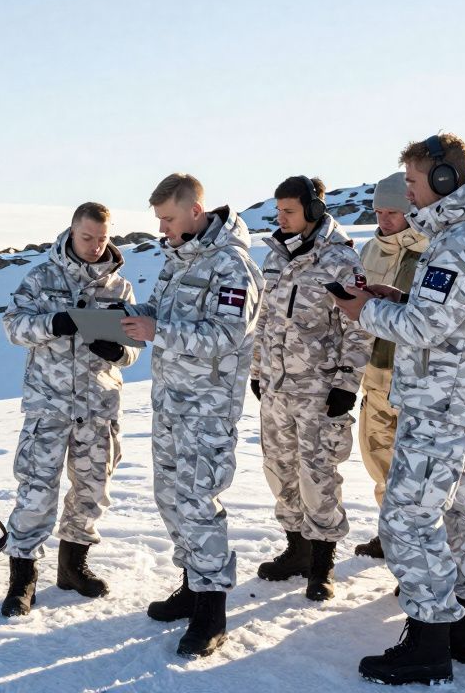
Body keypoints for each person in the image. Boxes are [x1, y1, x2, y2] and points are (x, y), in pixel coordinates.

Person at [333, 133, 465, 686]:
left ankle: (428, 643)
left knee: (407, 520)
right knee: (458, 515)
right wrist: (394, 300)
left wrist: (364, 312)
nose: (411, 195)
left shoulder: (464, 242)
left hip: (442, 404)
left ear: (444, 180)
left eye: (414, 183)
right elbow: (437, 315)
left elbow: (425, 328)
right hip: (457, 401)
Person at [119, 173, 263, 657]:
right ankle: (191, 584)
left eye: (168, 219)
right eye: (159, 220)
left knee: (200, 504)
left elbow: (227, 336)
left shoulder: (233, 267)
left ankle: (211, 613)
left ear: (195, 212)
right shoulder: (177, 261)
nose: (162, 229)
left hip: (208, 409)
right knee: (171, 499)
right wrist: (120, 317)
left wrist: (158, 329)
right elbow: (158, 311)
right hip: (171, 404)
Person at [0, 202, 142, 617]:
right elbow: (13, 326)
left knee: (92, 491)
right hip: (49, 406)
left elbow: (133, 350)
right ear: (71, 232)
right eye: (87, 238)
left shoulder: (120, 288)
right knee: (36, 491)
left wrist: (117, 350)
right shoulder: (42, 278)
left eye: (103, 239)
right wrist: (53, 324)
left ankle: (73, 567)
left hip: (99, 407)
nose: (96, 247)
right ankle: (22, 579)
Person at [249, 175, 371, 602]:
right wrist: (258, 370)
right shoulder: (276, 258)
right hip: (277, 389)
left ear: (314, 212)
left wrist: (346, 384)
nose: (280, 219)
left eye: (289, 211)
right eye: (278, 211)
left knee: (317, 476)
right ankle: (296, 550)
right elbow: (264, 320)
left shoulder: (340, 261)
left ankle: (322, 564)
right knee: (279, 470)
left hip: (319, 392)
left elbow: (358, 328)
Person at [353, 172, 429, 560]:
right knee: (378, 458)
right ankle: (391, 534)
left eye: (393, 212)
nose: (385, 220)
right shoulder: (370, 250)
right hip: (374, 373)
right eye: (379, 211)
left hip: (414, 379)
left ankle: (417, 550)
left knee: (416, 471)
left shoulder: (432, 250)